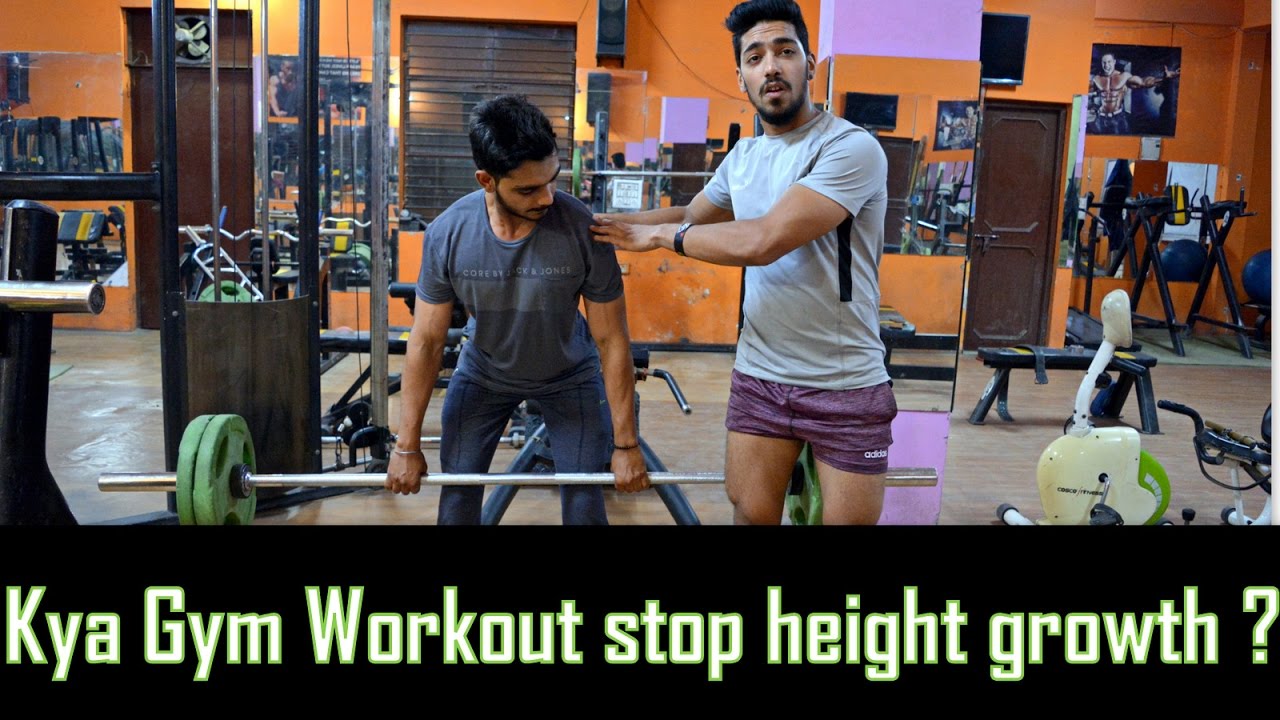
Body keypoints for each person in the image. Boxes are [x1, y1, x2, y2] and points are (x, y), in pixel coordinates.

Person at [590, 0, 896, 525]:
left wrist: (660, 237)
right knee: (751, 517)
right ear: (741, 77)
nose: (771, 66)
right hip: (760, 375)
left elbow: (765, 240)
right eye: (755, 57)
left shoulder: (850, 147)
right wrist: (597, 225)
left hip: (845, 383)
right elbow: (691, 215)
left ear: (809, 64)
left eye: (784, 51)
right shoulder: (744, 158)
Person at [386, 94, 649, 524]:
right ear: (486, 180)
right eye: (528, 189)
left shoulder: (582, 229)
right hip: (484, 375)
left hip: (570, 376)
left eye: (552, 180)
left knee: (585, 508)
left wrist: (626, 444)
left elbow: (611, 339)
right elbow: (427, 341)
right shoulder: (448, 233)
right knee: (456, 503)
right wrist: (406, 445)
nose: (547, 198)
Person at [1088, 52, 1179, 135]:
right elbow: (1085, 90)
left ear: (1114, 62)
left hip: (1118, 118)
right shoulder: (1097, 79)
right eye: (1104, 62)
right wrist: (1093, 107)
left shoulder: (1123, 76)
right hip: (1101, 118)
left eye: (1109, 62)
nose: (1106, 65)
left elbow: (1143, 82)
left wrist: (1164, 78)